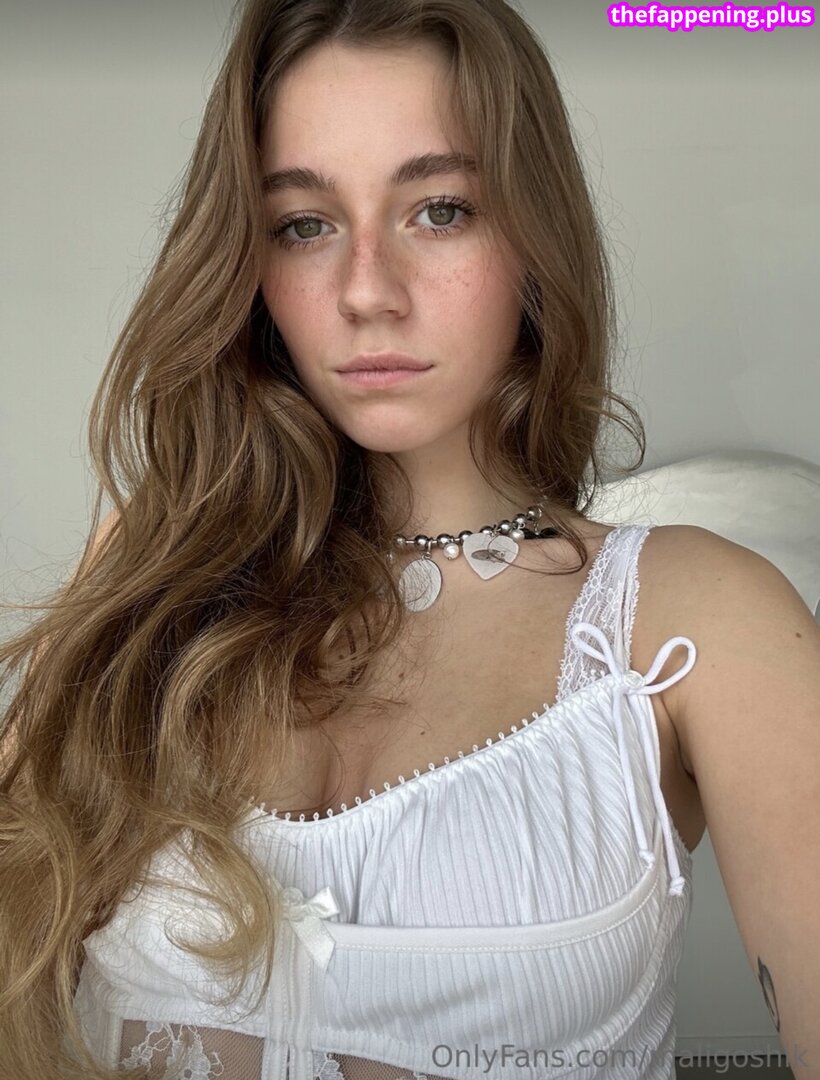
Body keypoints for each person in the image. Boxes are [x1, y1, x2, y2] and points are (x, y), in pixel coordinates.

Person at [1, 1, 817, 1078]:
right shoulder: (150, 567)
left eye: (439, 210)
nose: (365, 293)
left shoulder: (690, 621)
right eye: (304, 223)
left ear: (534, 236)